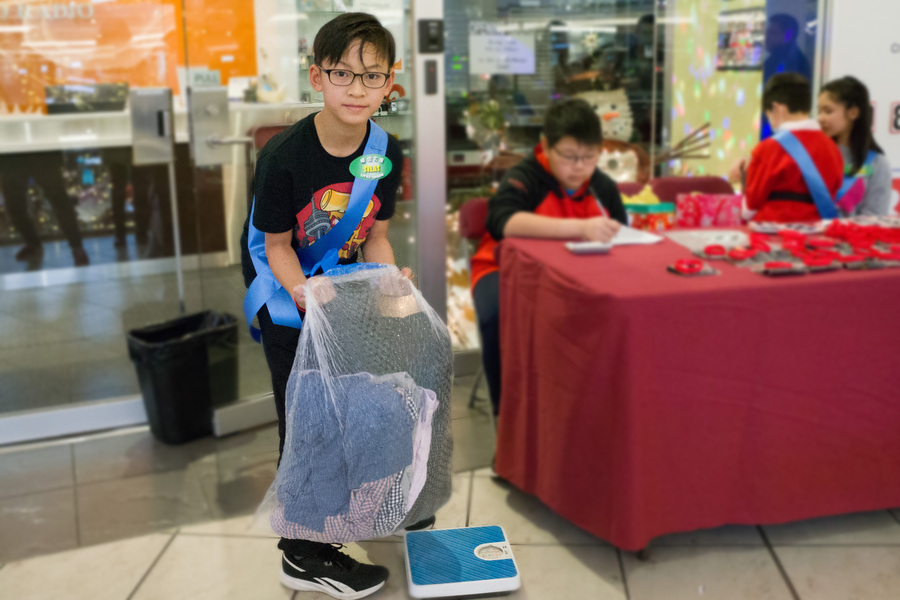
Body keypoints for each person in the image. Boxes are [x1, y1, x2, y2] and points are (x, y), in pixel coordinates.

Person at [240, 13, 420, 599]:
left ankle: (348, 515)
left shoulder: (383, 149)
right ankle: (303, 553)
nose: (357, 89)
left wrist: (390, 275)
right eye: (343, 73)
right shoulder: (284, 159)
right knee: (307, 417)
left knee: (355, 402)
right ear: (317, 77)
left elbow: (375, 234)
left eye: (372, 77)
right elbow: (276, 247)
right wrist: (302, 293)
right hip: (289, 297)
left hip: (342, 291)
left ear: (391, 83)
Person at [469, 98, 628, 417]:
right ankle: (509, 421)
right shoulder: (525, 176)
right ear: (546, 146)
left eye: (589, 157)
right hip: (502, 269)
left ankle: (598, 407)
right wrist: (580, 227)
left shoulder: (602, 186)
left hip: (579, 272)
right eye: (569, 157)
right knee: (499, 316)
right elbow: (505, 223)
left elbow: (621, 233)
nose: (580, 167)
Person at [730, 73, 843, 222]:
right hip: (818, 234)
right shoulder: (832, 148)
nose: (770, 121)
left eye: (768, 115)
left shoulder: (767, 148)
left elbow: (749, 209)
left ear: (777, 109)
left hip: (773, 235)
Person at [817, 76, 892, 216]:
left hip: (852, 237)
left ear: (853, 113)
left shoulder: (877, 163)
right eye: (819, 111)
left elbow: (874, 217)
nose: (820, 118)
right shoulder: (813, 155)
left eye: (828, 111)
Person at [0, 151, 89, 267]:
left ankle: (35, 243)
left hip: (22, 156)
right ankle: (76, 246)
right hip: (34, 155)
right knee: (15, 205)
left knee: (57, 200)